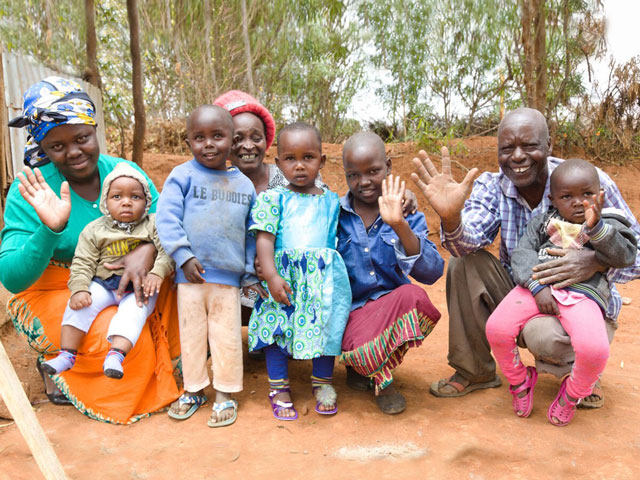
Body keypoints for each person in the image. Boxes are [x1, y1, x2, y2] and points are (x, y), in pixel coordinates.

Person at [411, 107, 640, 408]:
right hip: (524, 289)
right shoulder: (492, 187)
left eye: (529, 145)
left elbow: (636, 255)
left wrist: (595, 261)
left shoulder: (588, 183)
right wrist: (452, 217)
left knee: (543, 335)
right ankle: (475, 370)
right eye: (507, 148)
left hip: (582, 298)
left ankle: (579, 373)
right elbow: (464, 244)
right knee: (465, 263)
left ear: (549, 146)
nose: (517, 156)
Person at [0, 76, 180, 424]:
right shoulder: (32, 189)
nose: (73, 152)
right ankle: (59, 364)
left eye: (82, 138)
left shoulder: (125, 173)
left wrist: (146, 252)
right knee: (119, 339)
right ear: (43, 148)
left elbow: (166, 227)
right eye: (57, 146)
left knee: (185, 292)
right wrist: (50, 228)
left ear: (94, 130)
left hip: (127, 279)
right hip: (61, 287)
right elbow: (13, 278)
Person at [486, 159, 637, 426]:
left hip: (583, 296)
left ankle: (573, 394)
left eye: (587, 194)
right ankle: (520, 381)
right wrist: (536, 287)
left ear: (599, 193)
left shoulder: (611, 222)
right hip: (537, 288)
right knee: (496, 329)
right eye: (568, 196)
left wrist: (598, 229)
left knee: (595, 350)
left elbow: (626, 255)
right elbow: (522, 254)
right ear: (553, 199)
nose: (579, 202)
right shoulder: (543, 223)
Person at [156, 104, 258, 428]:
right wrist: (182, 256)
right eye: (199, 137)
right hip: (191, 278)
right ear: (188, 143)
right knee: (193, 336)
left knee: (225, 337)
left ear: (232, 140)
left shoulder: (244, 185)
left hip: (228, 281)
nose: (208, 144)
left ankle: (225, 393)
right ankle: (194, 389)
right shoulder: (182, 175)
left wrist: (249, 275)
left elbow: (251, 234)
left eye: (217, 136)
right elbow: (167, 218)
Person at [248, 122, 351, 420]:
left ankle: (322, 382)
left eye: (308, 157)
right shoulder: (273, 198)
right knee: (277, 328)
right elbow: (264, 240)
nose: (300, 166)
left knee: (326, 327)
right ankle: (278, 387)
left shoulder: (332, 200)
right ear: (278, 163)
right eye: (290, 159)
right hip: (284, 280)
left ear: (322, 160)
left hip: (322, 281)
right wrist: (271, 275)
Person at [337, 132, 443, 415]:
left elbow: (432, 272)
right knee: (357, 346)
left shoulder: (407, 214)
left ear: (389, 166)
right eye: (353, 175)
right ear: (345, 176)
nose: (364, 182)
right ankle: (359, 364)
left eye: (373, 171)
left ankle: (380, 380)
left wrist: (398, 224)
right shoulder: (334, 215)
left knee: (413, 295)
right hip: (349, 315)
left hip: (389, 310)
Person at [41, 163, 174, 379]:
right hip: (102, 283)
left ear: (147, 201)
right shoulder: (95, 229)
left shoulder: (153, 224)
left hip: (139, 288)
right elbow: (83, 261)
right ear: (105, 201)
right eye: (117, 197)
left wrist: (157, 273)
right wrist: (79, 289)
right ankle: (66, 355)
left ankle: (116, 355)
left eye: (135, 197)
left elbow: (168, 250)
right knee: (79, 307)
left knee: (133, 313)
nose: (126, 202)